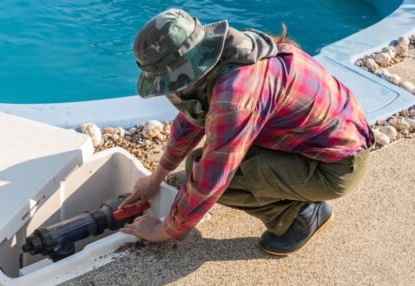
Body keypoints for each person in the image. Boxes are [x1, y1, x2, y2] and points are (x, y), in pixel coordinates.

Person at [120, 9, 373, 256]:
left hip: (334, 167)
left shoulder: (235, 96)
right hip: (320, 142)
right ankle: (293, 192)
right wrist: (156, 178)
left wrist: (164, 230)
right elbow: (191, 120)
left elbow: (212, 180)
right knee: (196, 167)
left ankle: (300, 216)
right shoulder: (230, 51)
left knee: (213, 177)